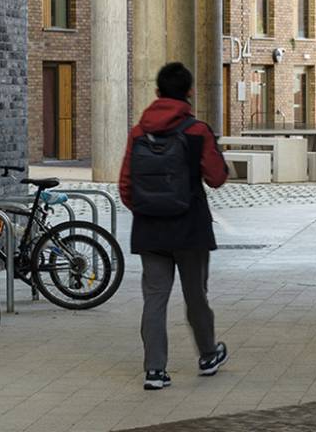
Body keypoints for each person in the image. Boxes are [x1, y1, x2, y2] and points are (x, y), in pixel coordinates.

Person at [118, 62, 230, 390]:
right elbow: (217, 177)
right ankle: (208, 355)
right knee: (195, 295)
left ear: (157, 93)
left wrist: (147, 209)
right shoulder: (196, 130)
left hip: (149, 229)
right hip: (190, 228)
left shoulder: (139, 132)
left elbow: (125, 183)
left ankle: (155, 371)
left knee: (154, 298)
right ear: (190, 92)